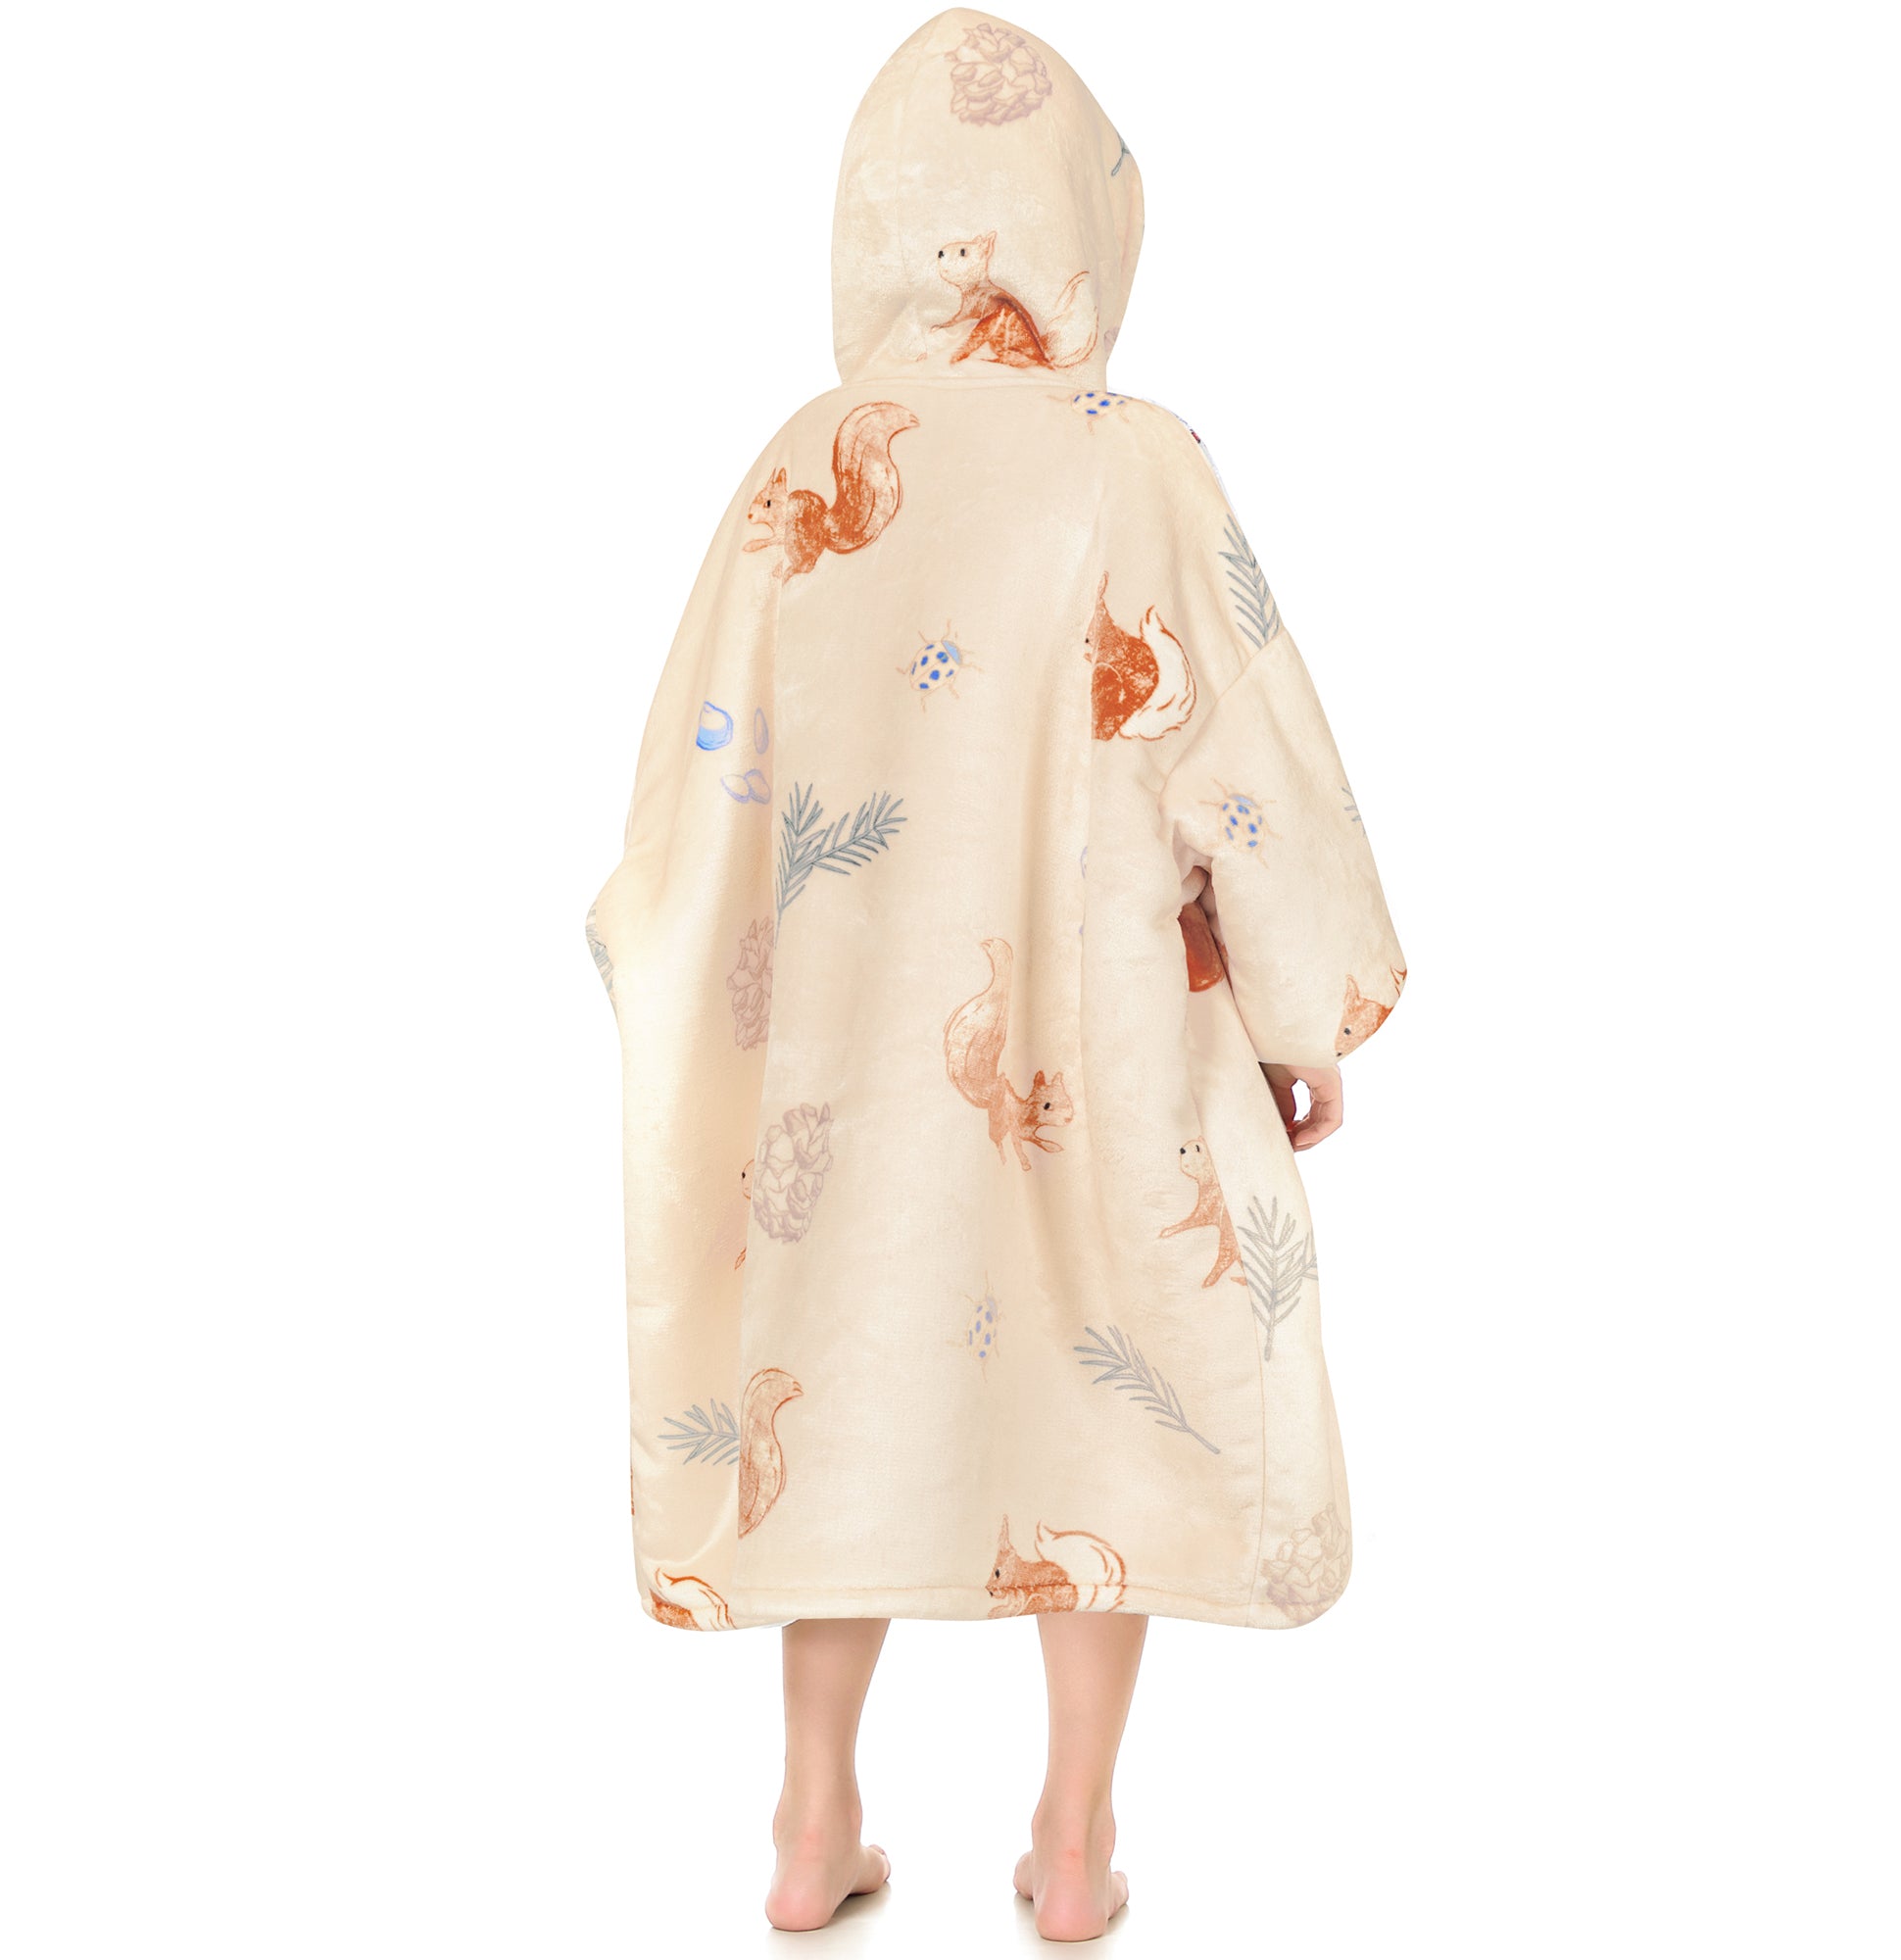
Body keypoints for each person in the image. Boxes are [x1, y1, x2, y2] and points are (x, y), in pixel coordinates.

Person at [587, 10, 1405, 1941]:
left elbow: (694, 792)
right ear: (1084, 218)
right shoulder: (1138, 466)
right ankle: (1074, 1841)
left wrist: (675, 978)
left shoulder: (796, 472)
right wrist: (1301, 1012)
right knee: (1100, 1406)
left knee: (835, 1376)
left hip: (846, 1067)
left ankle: (811, 1825)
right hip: (1100, 1048)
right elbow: (1248, 765)